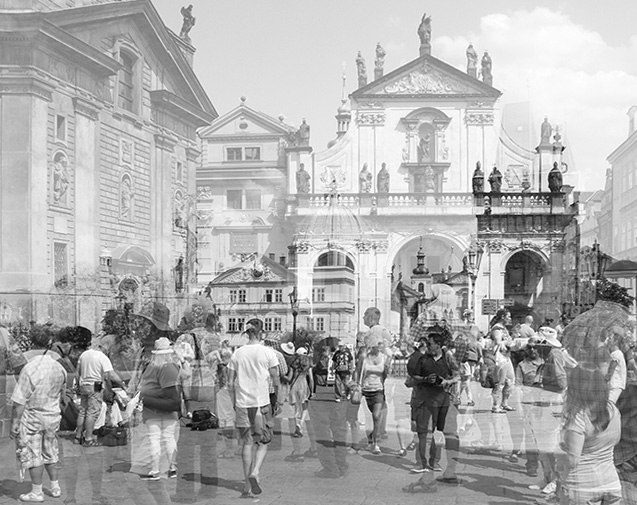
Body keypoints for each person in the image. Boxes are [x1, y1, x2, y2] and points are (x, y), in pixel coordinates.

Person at [10, 324, 67, 502]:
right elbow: (63, 394)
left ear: (31, 342)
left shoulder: (30, 368)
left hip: (33, 417)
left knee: (34, 454)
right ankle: (55, 487)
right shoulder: (59, 367)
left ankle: (36, 492)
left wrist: (15, 422)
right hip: (53, 415)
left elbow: (19, 400)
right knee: (51, 450)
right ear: (49, 342)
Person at [403, 329, 461, 493]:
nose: (427, 346)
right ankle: (426, 469)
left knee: (450, 434)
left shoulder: (448, 356)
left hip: (447, 400)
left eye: (430, 344)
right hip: (427, 401)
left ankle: (450, 469)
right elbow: (410, 379)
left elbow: (458, 375)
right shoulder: (422, 358)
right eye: (426, 344)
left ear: (438, 345)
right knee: (426, 433)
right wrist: (425, 379)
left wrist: (447, 382)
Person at [227, 318, 280, 498]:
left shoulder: (237, 353)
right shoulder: (268, 352)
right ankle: (255, 471)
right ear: (261, 333)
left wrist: (234, 401)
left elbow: (229, 382)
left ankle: (246, 485)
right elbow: (275, 378)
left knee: (247, 443)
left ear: (246, 333)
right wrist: (278, 399)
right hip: (262, 403)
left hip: (242, 403)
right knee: (263, 441)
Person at [558, 362, 622, 505]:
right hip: (611, 483)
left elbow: (572, 460)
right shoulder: (613, 410)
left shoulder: (579, 416)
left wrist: (556, 450)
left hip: (582, 486)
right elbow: (616, 440)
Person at [138, 337, 182, 481]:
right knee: (169, 437)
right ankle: (172, 468)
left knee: (154, 438)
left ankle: (155, 470)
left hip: (151, 407)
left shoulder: (151, 366)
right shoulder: (172, 366)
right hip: (168, 406)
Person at [74, 330, 125, 447]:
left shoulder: (84, 355)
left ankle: (78, 437)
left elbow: (77, 373)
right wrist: (122, 384)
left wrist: (77, 386)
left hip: (84, 386)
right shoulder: (102, 357)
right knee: (92, 413)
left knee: (82, 411)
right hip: (95, 387)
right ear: (105, 346)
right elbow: (111, 375)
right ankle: (88, 439)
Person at [358, 337, 391, 455]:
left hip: (378, 390)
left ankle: (375, 443)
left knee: (376, 416)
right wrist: (357, 386)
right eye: (378, 344)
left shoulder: (384, 358)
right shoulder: (364, 357)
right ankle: (370, 438)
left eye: (381, 344)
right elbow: (357, 372)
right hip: (365, 390)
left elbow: (385, 375)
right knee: (369, 418)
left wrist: (387, 369)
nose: (380, 346)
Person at [488, 309, 515, 413]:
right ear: (503, 317)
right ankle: (496, 406)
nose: (510, 319)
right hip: (500, 358)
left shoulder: (504, 328)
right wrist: (508, 343)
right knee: (500, 382)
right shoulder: (497, 328)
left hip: (506, 356)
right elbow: (498, 341)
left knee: (510, 380)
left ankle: (504, 403)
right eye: (508, 316)